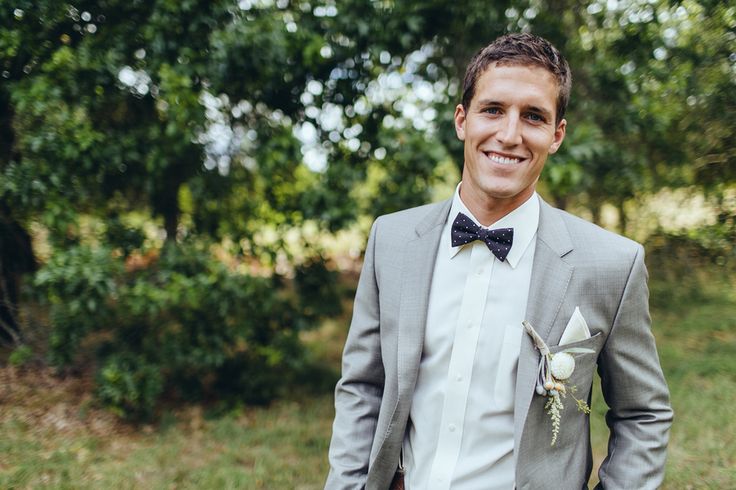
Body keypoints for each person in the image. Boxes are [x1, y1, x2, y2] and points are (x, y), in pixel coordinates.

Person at [326, 33, 673, 490]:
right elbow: (363, 388)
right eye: (493, 110)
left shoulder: (612, 264)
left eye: (533, 117)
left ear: (556, 135)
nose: (510, 135)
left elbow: (643, 413)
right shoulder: (391, 239)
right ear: (461, 120)